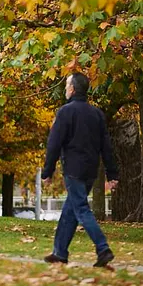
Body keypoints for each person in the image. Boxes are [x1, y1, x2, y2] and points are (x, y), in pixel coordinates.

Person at [42, 73, 119, 267]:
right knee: (70, 211)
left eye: (67, 85)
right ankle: (59, 252)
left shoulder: (65, 112)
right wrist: (112, 173)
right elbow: (106, 146)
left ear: (73, 89)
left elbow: (54, 143)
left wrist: (47, 171)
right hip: (90, 171)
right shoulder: (97, 114)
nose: (65, 88)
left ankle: (103, 248)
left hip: (74, 170)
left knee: (81, 209)